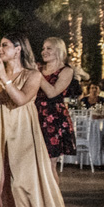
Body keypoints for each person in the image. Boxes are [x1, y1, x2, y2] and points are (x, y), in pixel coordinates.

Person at [0, 34, 79, 207]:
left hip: (23, 129)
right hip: (1, 128)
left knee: (21, 185)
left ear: (18, 49)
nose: (0, 49)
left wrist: (4, 78)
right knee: (1, 184)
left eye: (4, 45)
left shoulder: (33, 74)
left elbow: (22, 99)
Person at [36, 37, 77, 179]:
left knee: (49, 164)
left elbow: (52, 93)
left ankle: (53, 193)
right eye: (43, 48)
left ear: (59, 51)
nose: (44, 51)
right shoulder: (38, 68)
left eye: (49, 48)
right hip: (35, 115)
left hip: (53, 118)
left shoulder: (66, 71)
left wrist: (37, 75)